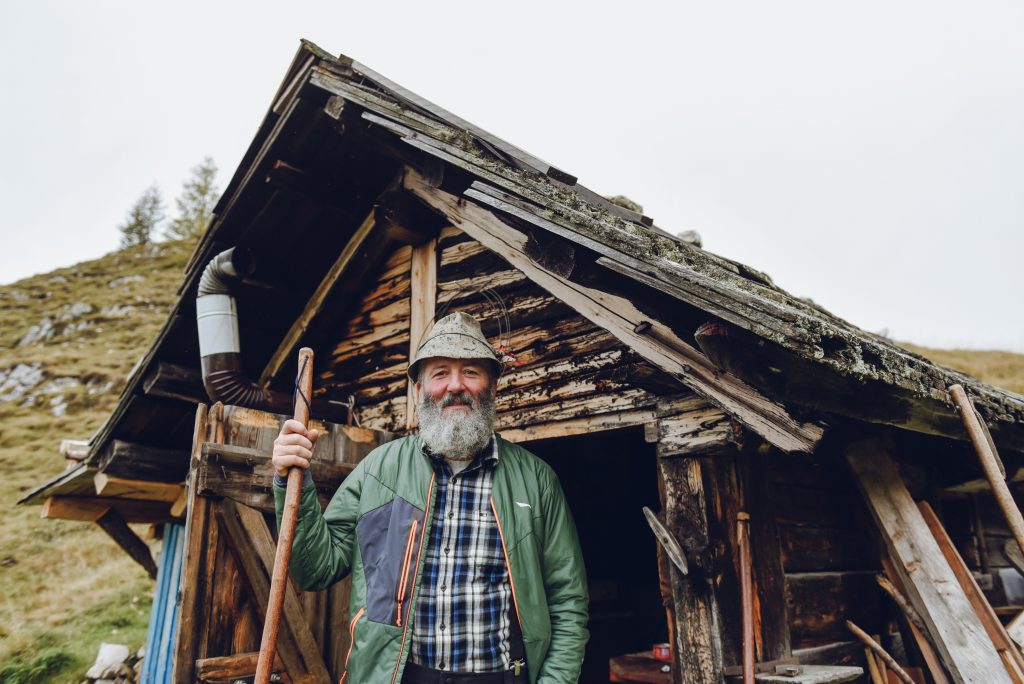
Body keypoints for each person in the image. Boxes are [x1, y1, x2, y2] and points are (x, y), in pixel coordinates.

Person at [272, 312, 589, 684]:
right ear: (419, 390)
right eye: (440, 372)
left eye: (471, 371)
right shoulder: (379, 471)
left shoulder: (536, 481)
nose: (456, 385)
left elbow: (568, 603)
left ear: (492, 386)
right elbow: (314, 568)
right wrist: (292, 479)